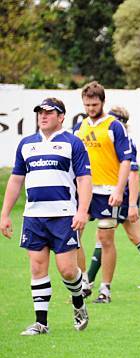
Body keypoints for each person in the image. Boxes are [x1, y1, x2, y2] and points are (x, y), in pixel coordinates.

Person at [0, 98, 92, 335]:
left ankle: (79, 302)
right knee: (37, 267)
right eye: (40, 112)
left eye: (49, 112)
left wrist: (82, 210)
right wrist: (5, 214)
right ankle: (41, 323)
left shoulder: (73, 143)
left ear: (61, 117)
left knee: (68, 271)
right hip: (33, 217)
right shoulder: (26, 144)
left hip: (63, 217)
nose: (43, 115)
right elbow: (16, 180)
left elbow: (84, 179)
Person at [84, 106, 140, 291]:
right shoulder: (108, 139)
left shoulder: (125, 141)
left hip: (122, 195)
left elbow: (133, 174)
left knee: (112, 237)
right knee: (127, 236)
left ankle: (90, 280)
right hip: (116, 194)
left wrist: (132, 204)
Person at [73, 81, 133, 304]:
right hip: (84, 191)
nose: (90, 108)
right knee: (73, 237)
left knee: (106, 238)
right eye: (87, 104)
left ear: (102, 102)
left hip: (108, 191)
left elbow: (126, 160)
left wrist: (119, 189)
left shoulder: (114, 126)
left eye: (94, 104)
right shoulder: (79, 127)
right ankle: (84, 282)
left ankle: (105, 289)